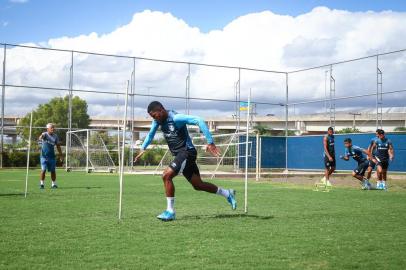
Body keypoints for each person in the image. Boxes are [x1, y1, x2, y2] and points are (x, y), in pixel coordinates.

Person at [134, 101, 237, 221]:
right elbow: (151, 135)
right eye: (152, 117)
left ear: (161, 110)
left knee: (166, 176)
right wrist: (143, 148)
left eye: (155, 115)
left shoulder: (176, 118)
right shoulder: (158, 121)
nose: (154, 119)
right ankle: (227, 193)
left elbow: (199, 120)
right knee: (198, 185)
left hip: (187, 152)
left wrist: (210, 142)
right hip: (181, 155)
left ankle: (170, 211)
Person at [39, 123, 63, 189]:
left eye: (53, 127)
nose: (53, 129)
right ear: (48, 129)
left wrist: (61, 155)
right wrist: (41, 136)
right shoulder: (45, 134)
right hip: (44, 156)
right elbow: (41, 137)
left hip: (52, 157)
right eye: (51, 128)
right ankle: (42, 184)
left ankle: (53, 184)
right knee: (43, 170)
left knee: (53, 170)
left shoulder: (55, 136)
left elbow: (58, 146)